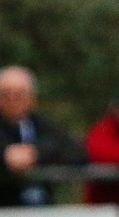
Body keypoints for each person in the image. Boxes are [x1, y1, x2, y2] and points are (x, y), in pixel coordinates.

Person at [0, 66, 83, 207]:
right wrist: (5, 156)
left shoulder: (42, 124)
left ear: (32, 97)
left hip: (42, 209)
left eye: (20, 94)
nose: (13, 99)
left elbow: (73, 150)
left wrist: (35, 153)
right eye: (6, 94)